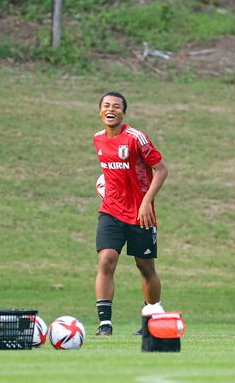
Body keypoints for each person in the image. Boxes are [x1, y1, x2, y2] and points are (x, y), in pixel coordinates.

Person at [93, 91, 168, 336]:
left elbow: (161, 170)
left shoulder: (136, 138)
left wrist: (146, 201)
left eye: (116, 106)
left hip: (141, 215)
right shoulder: (98, 139)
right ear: (100, 111)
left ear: (123, 113)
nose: (110, 109)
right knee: (105, 261)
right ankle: (105, 325)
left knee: (145, 268)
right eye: (106, 105)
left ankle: (151, 321)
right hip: (111, 212)